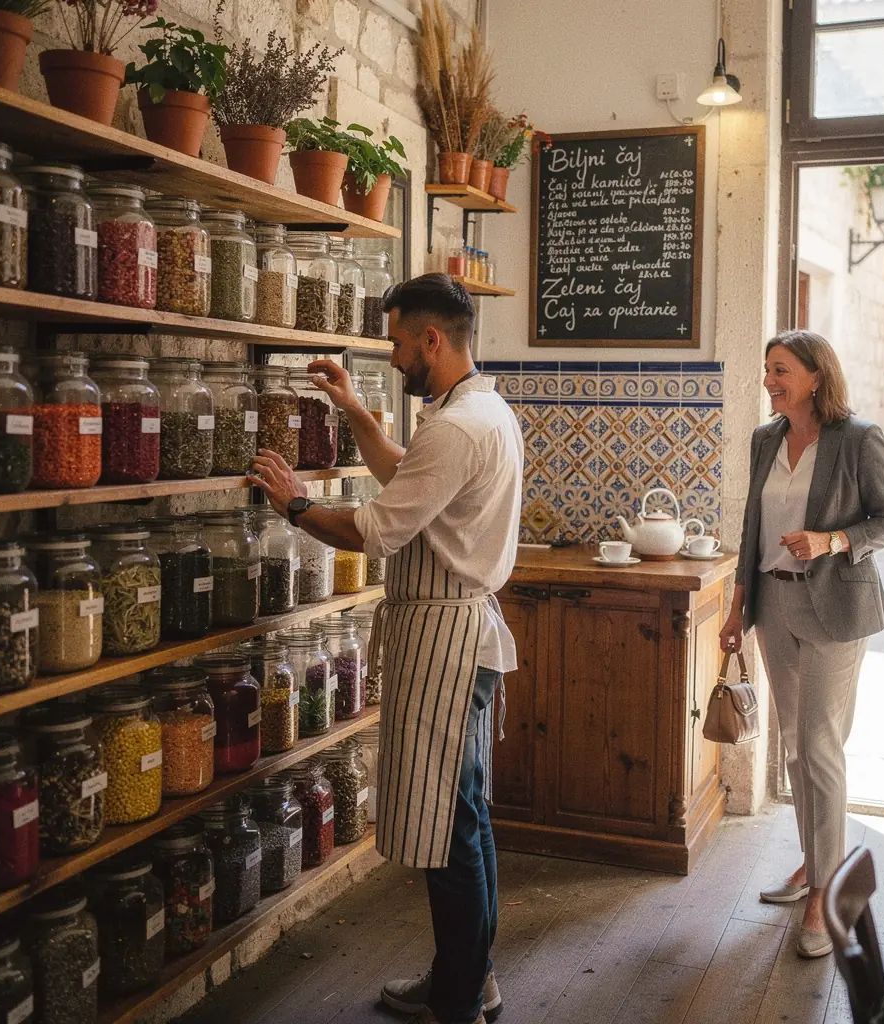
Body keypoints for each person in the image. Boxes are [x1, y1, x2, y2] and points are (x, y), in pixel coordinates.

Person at [247, 273, 522, 1024]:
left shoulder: (458, 426)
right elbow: (411, 480)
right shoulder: (480, 412)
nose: (395, 354)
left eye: (399, 342)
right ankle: (471, 976)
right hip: (460, 631)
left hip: (444, 637)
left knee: (447, 826)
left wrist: (296, 504)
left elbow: (374, 528)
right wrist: (354, 409)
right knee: (463, 816)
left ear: (433, 339)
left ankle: (460, 998)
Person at [719, 329, 884, 960]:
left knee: (821, 749)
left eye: (781, 370)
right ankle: (811, 864)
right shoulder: (765, 438)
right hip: (775, 604)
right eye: (767, 369)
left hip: (836, 607)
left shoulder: (857, 438)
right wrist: (738, 608)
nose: (769, 380)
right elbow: (752, 528)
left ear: (816, 377)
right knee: (795, 748)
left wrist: (830, 541)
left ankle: (827, 896)